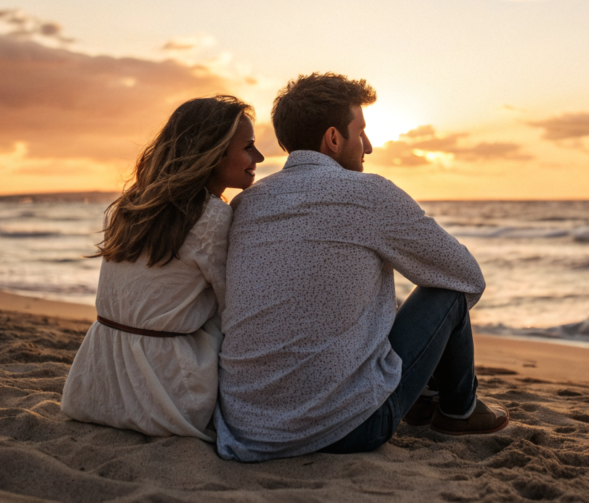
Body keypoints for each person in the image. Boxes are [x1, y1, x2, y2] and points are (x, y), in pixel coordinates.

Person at [215, 73, 508, 462]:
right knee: (446, 287)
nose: (369, 146)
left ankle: (427, 399)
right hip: (350, 430)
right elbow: (466, 276)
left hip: (249, 430)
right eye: (362, 132)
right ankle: (459, 410)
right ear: (333, 139)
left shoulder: (248, 204)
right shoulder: (371, 194)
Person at [61, 95, 264, 440]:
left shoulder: (132, 203)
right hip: (166, 393)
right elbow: (235, 308)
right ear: (213, 152)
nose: (258, 157)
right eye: (248, 147)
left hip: (94, 383)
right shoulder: (211, 215)